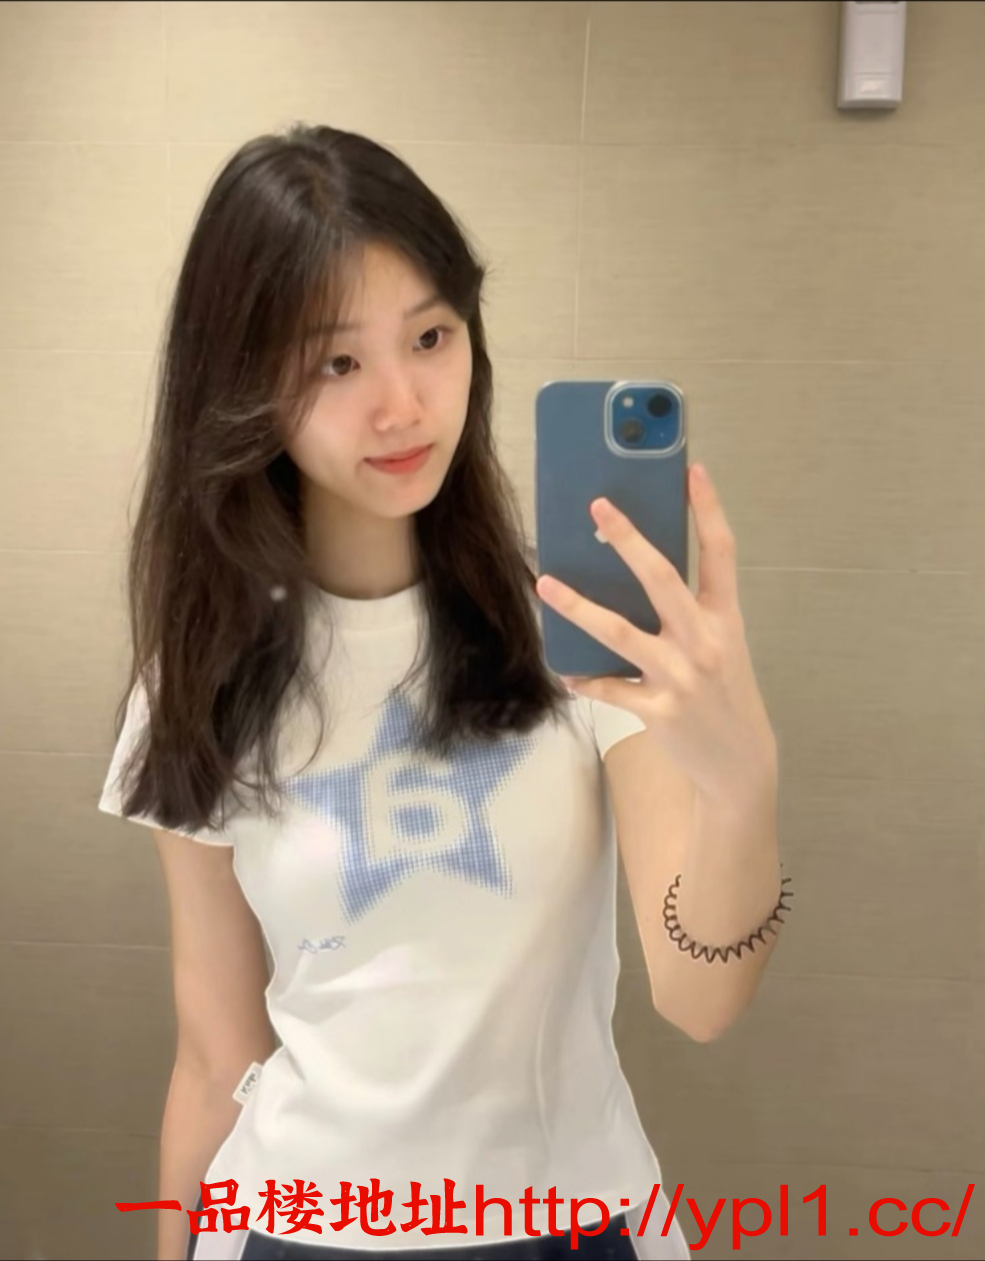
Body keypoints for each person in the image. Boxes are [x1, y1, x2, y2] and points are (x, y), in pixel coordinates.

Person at [99, 124, 788, 1261]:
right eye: (336, 362)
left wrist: (742, 783)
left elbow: (699, 998)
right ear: (242, 380)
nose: (404, 405)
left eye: (430, 337)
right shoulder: (200, 670)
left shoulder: (578, 625)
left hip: (566, 1221)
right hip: (290, 1227)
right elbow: (217, 1055)